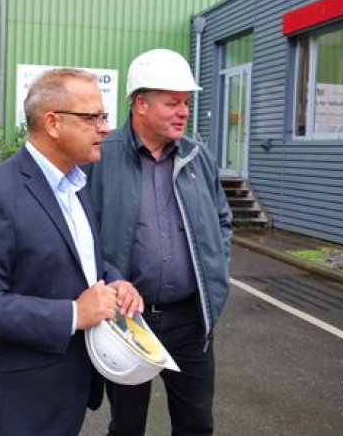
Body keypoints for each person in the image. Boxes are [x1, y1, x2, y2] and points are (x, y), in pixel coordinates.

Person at [0, 68, 143, 436]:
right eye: (93, 117)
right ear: (53, 123)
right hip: (15, 406)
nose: (105, 128)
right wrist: (74, 313)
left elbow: (86, 261)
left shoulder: (77, 185)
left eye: (104, 117)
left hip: (66, 393)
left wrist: (116, 282)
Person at [84, 49, 233, 435]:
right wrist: (111, 281)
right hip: (128, 321)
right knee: (127, 426)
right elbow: (80, 233)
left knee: (196, 424)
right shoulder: (100, 156)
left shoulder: (198, 157)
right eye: (172, 103)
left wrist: (216, 273)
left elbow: (222, 221)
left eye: (186, 103)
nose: (184, 112)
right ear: (141, 104)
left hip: (191, 320)